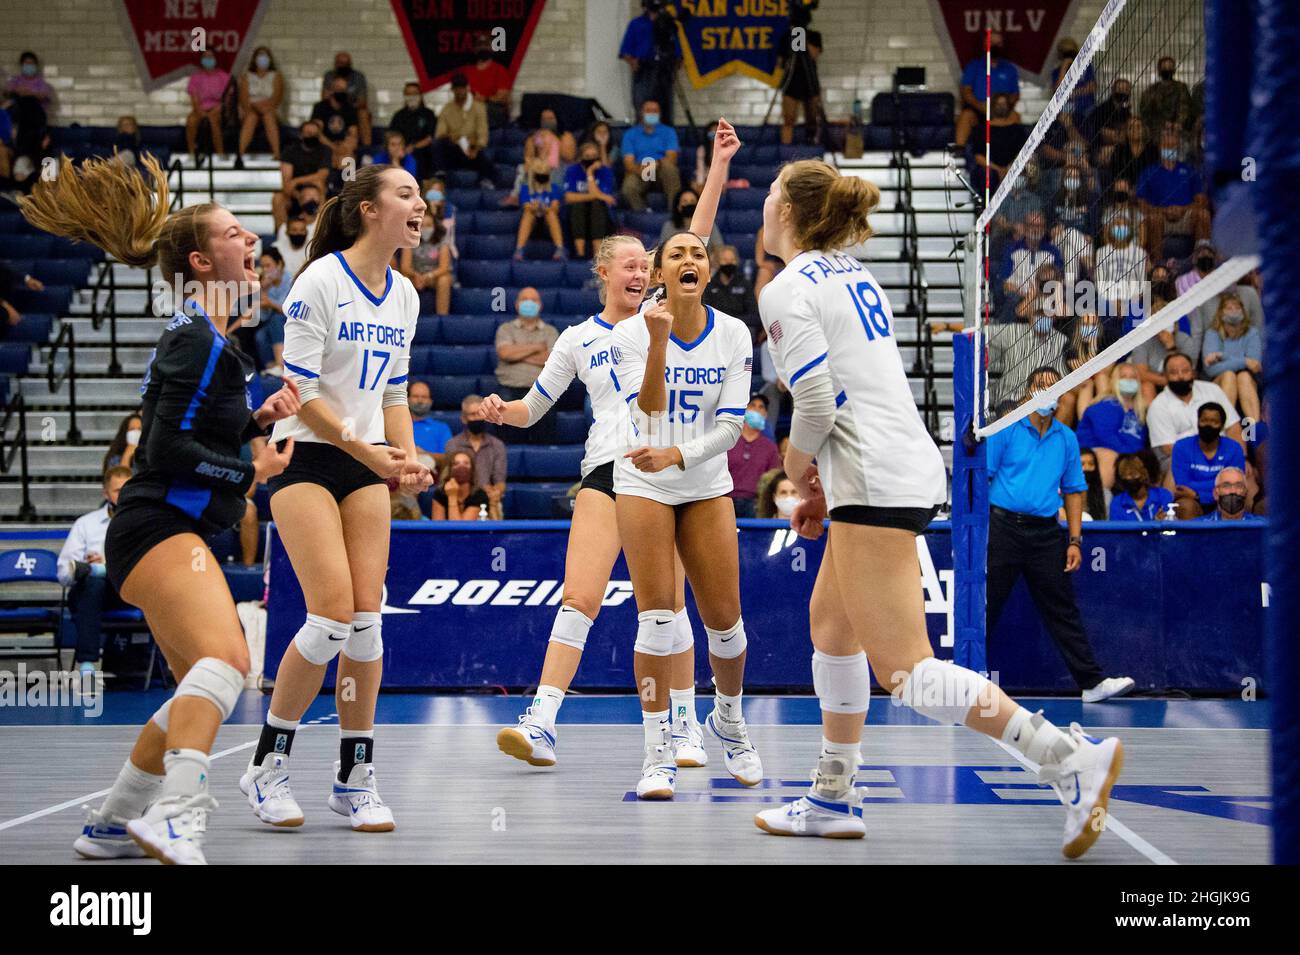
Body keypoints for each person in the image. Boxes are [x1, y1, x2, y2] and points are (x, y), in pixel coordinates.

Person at [751, 162, 1122, 858]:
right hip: (890, 466)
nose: (762, 206)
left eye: (770, 196)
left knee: (907, 671)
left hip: (877, 477)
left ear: (791, 215)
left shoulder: (787, 288)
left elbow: (819, 402)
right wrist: (826, 487)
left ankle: (1066, 756)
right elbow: (857, 392)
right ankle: (833, 796)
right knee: (831, 629)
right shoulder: (853, 274)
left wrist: (795, 474)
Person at [20, 154, 301, 863]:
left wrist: (248, 422)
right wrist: (251, 468)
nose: (251, 242)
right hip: (157, 526)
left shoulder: (206, 342)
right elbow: (168, 446)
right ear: (203, 262)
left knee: (192, 692)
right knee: (230, 658)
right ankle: (178, 813)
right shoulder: (199, 341)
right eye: (236, 233)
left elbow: (184, 431)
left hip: (150, 529)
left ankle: (112, 822)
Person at [483, 121, 741, 769]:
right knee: (580, 595)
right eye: (631, 264)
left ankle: (684, 726)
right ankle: (541, 717)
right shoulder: (576, 338)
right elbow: (532, 407)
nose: (643, 271)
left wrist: (716, 165)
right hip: (606, 470)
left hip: (665, 471)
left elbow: (698, 233)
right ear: (605, 272)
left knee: (670, 608)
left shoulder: (662, 310)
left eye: (646, 265)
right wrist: (498, 410)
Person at [241, 164, 433, 833]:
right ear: (368, 210)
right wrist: (371, 452)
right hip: (308, 456)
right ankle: (266, 763)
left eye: (422, 195)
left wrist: (405, 458)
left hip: (364, 460)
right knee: (327, 618)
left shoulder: (405, 294)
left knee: (367, 622)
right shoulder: (318, 281)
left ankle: (354, 775)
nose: (421, 204)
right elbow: (301, 395)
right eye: (406, 194)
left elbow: (393, 396)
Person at [610, 230, 763, 799]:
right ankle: (658, 752)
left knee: (726, 624)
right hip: (643, 482)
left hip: (702, 483)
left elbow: (730, 428)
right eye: (676, 254)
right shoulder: (630, 333)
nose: (689, 259)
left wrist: (680, 453)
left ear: (709, 268)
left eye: (697, 253)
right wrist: (657, 340)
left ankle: (728, 718)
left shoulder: (734, 334)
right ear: (659, 275)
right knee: (658, 621)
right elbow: (647, 410)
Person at [983, 366, 1135, 705]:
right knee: (986, 607)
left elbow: (1075, 490)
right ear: (1028, 390)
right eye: (1040, 385)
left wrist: (1075, 541)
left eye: (1054, 387)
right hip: (1004, 527)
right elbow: (983, 480)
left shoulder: (1066, 438)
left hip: (1046, 533)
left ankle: (1091, 683)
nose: (1047, 392)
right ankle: (961, 680)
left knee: (1062, 609)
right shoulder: (1006, 428)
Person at [57, 466, 133, 676]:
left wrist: (108, 565)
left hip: (126, 592)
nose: (123, 495)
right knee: (93, 584)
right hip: (90, 593)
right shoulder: (86, 524)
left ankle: (87, 665)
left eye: (128, 489)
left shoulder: (142, 524)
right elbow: (64, 573)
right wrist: (86, 567)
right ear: (105, 493)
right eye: (118, 491)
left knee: (98, 579)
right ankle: (88, 665)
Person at [1146, 352, 1242, 465]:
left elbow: (1233, 427)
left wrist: (1241, 458)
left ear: (1193, 372)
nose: (1181, 376)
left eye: (1185, 371)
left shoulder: (1212, 390)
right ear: (1165, 376)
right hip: (1182, 460)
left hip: (1222, 455)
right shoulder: (1158, 406)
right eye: (1174, 372)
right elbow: (1168, 448)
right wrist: (1206, 463)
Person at [1136, 128, 1210, 257]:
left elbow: (1201, 200)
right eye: (1166, 146)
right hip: (1160, 216)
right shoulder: (1149, 171)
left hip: (1186, 215)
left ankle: (1201, 261)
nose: (1170, 149)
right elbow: (1140, 202)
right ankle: (1157, 267)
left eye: (1173, 146)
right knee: (1153, 219)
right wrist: (1162, 211)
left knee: (1203, 215)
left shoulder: (1189, 170)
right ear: (1160, 147)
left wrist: (1182, 209)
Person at [1074, 363, 1148, 489]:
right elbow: (1107, 438)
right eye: (1124, 377)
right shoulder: (1106, 404)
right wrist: (1130, 455)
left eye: (1133, 377)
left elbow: (1139, 442)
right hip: (1089, 450)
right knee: (1109, 456)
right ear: (1114, 381)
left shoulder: (1139, 412)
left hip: (1124, 452)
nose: (1129, 380)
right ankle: (1098, 502)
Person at [1169, 401, 1245, 508]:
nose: (1208, 425)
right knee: (1186, 505)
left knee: (1234, 500)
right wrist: (1216, 488)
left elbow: (1233, 484)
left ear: (1222, 425)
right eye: (1204, 421)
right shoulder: (1181, 447)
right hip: (1191, 500)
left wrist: (1199, 495)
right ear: (1197, 422)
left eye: (1214, 422)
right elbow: (1183, 485)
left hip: (1224, 501)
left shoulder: (1234, 448)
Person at [444, 394, 507, 519]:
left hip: (488, 500)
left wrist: (496, 492)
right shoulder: (452, 445)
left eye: (480, 414)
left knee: (496, 506)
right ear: (464, 418)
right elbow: (448, 477)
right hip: (460, 497)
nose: (477, 418)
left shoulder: (497, 445)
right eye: (472, 414)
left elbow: (500, 481)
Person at [1201, 292, 1262, 421]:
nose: (1233, 311)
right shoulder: (1212, 333)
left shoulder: (1252, 332)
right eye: (1229, 308)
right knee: (1229, 376)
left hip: (1249, 382)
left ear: (1243, 311)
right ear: (1221, 312)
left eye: (1237, 308)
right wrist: (1245, 361)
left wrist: (1221, 356)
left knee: (1243, 377)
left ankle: (1254, 430)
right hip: (1218, 381)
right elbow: (1210, 369)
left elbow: (1255, 365)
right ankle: (1227, 427)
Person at [955, 30, 1020, 147]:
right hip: (979, 109)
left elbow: (1015, 95)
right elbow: (966, 91)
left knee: (1015, 116)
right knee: (966, 116)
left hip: (1002, 110)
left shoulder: (1010, 68)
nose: (995, 46)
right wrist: (982, 107)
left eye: (998, 43)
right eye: (992, 42)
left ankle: (1019, 156)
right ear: (985, 45)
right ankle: (959, 152)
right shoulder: (973, 66)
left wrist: (1003, 107)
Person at [620, 0, 680, 124]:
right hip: (644, 69)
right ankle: (642, 136)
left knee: (665, 108)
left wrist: (674, 68)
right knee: (643, 106)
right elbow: (625, 51)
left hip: (664, 70)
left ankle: (665, 136)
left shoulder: (669, 24)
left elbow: (678, 52)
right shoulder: (636, 24)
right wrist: (633, 62)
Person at [494, 288, 558, 402]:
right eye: (524, 299)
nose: (529, 302)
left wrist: (517, 354)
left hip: (541, 390)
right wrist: (537, 347)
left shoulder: (550, 331)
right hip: (509, 388)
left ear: (540, 305)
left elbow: (551, 360)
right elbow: (505, 353)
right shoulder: (505, 329)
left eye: (534, 300)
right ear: (517, 304)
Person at [432, 73, 495, 187]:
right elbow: (440, 133)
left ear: (467, 88)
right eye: (456, 88)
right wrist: (452, 137)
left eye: (462, 87)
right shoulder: (447, 108)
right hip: (454, 147)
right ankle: (441, 175)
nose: (459, 90)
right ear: (452, 89)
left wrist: (475, 148)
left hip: (472, 148)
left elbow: (483, 135)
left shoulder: (479, 107)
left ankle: (485, 180)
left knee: (484, 154)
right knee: (438, 144)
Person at [620, 101, 680, 213]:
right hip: (640, 170)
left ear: (660, 114)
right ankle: (643, 213)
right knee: (629, 187)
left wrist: (655, 164)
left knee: (670, 169)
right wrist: (643, 169)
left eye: (655, 111)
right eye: (648, 111)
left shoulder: (669, 132)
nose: (652, 114)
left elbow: (672, 158)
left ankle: (674, 213)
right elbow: (628, 163)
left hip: (661, 168)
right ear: (641, 113)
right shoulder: (630, 134)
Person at [726, 395, 781, 518]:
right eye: (752, 406)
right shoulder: (729, 441)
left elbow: (773, 477)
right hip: (728, 499)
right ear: (745, 410)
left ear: (765, 414)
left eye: (761, 407)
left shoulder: (770, 447)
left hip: (756, 502)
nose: (756, 409)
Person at [273, 121, 331, 231]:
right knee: (278, 198)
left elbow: (322, 175)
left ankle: (319, 234)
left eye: (315, 134)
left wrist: (297, 181)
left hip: (319, 192)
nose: (312, 136)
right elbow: (286, 183)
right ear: (301, 135)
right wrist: (299, 195)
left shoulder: (325, 150)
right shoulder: (290, 151)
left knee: (319, 186)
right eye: (308, 133)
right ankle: (282, 234)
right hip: (295, 193)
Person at [563, 140, 617, 259]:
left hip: (602, 216)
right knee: (578, 205)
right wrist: (599, 195)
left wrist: (589, 173)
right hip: (577, 216)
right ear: (580, 157)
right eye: (587, 156)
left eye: (594, 156)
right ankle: (580, 253)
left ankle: (597, 255)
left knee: (596, 204)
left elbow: (603, 199)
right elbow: (568, 197)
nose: (591, 159)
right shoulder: (572, 170)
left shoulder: (605, 171)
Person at [398, 205, 453, 315]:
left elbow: (444, 267)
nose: (425, 229)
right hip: (415, 275)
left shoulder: (442, 239)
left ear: (434, 226)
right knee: (402, 279)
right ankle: (402, 318)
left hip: (434, 276)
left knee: (445, 279)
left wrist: (428, 276)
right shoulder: (409, 239)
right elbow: (405, 267)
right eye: (422, 226)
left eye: (429, 225)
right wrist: (417, 276)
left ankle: (442, 317)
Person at [703, 244, 760, 343]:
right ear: (717, 262)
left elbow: (754, 315)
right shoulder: (709, 285)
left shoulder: (744, 284)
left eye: (732, 260)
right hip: (716, 329)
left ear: (737, 262)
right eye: (725, 260)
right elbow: (704, 313)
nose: (729, 263)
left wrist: (733, 323)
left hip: (739, 328)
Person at [973, 93, 1029, 192]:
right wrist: (999, 170)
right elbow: (978, 157)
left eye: (1004, 104)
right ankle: (987, 205)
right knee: (987, 175)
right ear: (992, 107)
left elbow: (1023, 153)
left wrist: (1010, 168)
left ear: (1009, 106)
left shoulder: (1018, 129)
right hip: (991, 169)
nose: (1001, 107)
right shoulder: (982, 129)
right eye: (998, 104)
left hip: (1014, 168)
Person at [237, 46, 283, 163]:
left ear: (270, 59)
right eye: (260, 55)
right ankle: (240, 154)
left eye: (265, 55)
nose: (262, 58)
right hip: (250, 110)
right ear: (254, 59)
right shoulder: (247, 76)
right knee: (252, 117)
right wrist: (254, 107)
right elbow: (244, 100)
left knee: (268, 116)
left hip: (270, 110)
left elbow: (276, 99)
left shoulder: (276, 76)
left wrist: (262, 107)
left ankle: (277, 154)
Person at [514, 158, 565, 261]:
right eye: (539, 170)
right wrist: (535, 207)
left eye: (544, 170)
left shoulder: (554, 188)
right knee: (528, 213)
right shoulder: (525, 188)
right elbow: (526, 206)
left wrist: (545, 208)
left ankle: (560, 248)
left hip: (548, 223)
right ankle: (519, 250)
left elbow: (555, 207)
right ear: (533, 173)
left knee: (550, 213)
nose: (542, 172)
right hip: (532, 223)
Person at [321, 52, 372, 152]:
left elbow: (363, 101)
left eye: (345, 63)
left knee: (364, 113)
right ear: (335, 63)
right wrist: (336, 101)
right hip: (332, 108)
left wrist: (346, 103)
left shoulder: (358, 77)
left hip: (352, 108)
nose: (343, 65)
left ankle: (367, 151)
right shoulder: (329, 75)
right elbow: (324, 97)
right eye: (340, 62)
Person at [185, 52, 230, 163]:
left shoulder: (224, 77)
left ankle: (220, 154)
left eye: (211, 57)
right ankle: (191, 153)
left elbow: (227, 100)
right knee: (191, 121)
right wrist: (201, 112)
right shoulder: (195, 77)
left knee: (213, 120)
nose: (208, 59)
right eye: (205, 57)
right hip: (200, 109)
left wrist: (216, 110)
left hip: (218, 109)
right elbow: (194, 98)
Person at [254, 248, 294, 372]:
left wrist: (271, 304)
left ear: (279, 265)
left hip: (291, 321)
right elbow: (262, 317)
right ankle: (271, 370)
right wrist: (263, 290)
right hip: (273, 323)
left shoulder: (291, 281)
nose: (265, 270)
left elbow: (289, 310)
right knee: (260, 335)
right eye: (263, 266)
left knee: (276, 319)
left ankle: (280, 365)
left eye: (268, 265)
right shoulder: (265, 285)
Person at [389, 83, 438, 181]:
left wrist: (414, 147)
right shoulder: (398, 115)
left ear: (420, 95)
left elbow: (430, 138)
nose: (411, 97)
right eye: (408, 94)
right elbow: (391, 136)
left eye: (414, 93)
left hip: (422, 152)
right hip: (400, 150)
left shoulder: (428, 114)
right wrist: (400, 149)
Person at [311, 75, 360, 170]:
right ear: (331, 90)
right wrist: (333, 147)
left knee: (347, 156)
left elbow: (353, 134)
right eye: (338, 88)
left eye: (343, 89)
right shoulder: (320, 107)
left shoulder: (350, 109)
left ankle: (348, 183)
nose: (341, 92)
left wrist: (343, 147)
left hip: (343, 146)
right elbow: (317, 133)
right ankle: (331, 182)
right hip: (325, 145)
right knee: (330, 155)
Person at [1139, 55, 1193, 137]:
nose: (1167, 70)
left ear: (1174, 70)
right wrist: (1162, 124)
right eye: (1164, 67)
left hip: (1177, 130)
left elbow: (1184, 107)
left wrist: (1177, 123)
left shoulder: (1181, 87)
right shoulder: (1151, 90)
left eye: (1170, 67)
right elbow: (1145, 112)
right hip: (1156, 130)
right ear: (1159, 70)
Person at [1109, 452, 1173, 521]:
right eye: (1125, 475)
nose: (1130, 478)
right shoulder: (1117, 502)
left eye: (1134, 474)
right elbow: (1117, 530)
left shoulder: (1163, 495)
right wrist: (1154, 524)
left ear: (1144, 474)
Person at [658, 187, 724, 254]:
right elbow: (662, 251)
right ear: (678, 207)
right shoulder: (669, 226)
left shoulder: (709, 225)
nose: (689, 204)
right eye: (685, 201)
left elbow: (719, 248)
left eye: (692, 201)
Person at [430, 449, 489, 520]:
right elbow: (437, 527)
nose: (461, 467)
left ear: (472, 470)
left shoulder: (480, 495)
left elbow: (461, 528)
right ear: (450, 470)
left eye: (466, 463)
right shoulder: (440, 493)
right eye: (456, 464)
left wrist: (452, 496)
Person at [468, 35, 512, 127]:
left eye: (486, 44)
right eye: (480, 45)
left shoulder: (500, 70)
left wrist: (485, 99)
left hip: (492, 112)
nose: (483, 47)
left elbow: (503, 98)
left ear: (492, 48)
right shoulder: (468, 71)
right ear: (475, 49)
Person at [407, 380, 450, 463]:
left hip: (431, 471)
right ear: (408, 399)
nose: (420, 401)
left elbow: (447, 458)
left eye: (424, 397)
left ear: (430, 401)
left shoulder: (441, 428)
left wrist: (424, 454)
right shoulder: (397, 426)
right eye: (415, 396)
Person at [1078, 448, 1108, 520]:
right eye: (1082, 464)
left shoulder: (1106, 494)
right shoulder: (1063, 493)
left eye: (1091, 464)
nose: (1087, 468)